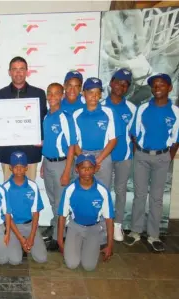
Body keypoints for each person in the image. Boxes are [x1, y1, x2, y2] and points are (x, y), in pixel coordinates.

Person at [125, 73, 179, 252]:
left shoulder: (176, 112)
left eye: (162, 85)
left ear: (170, 88)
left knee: (156, 198)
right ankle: (135, 232)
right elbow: (134, 133)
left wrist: (167, 156)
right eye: (154, 85)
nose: (157, 88)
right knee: (139, 195)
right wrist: (139, 153)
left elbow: (176, 138)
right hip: (142, 156)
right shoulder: (143, 108)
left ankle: (154, 235)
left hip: (163, 158)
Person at [0, 56, 48, 181]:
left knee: (29, 192)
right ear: (9, 72)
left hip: (31, 152)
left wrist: (42, 139)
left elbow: (43, 121)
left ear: (27, 71)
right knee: (8, 191)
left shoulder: (38, 94)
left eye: (22, 69)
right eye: (15, 69)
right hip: (8, 152)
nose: (18, 73)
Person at [57, 154, 114, 271]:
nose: (87, 171)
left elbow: (109, 219)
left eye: (90, 168)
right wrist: (60, 240)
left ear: (95, 169)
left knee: (89, 267)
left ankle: (87, 245)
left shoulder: (102, 191)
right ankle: (75, 244)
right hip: (75, 227)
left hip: (93, 228)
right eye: (83, 168)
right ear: (77, 170)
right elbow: (62, 216)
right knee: (72, 264)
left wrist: (110, 245)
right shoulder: (70, 189)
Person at [101, 69, 136, 242]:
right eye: (118, 82)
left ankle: (117, 225)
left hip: (124, 156)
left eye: (125, 84)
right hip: (104, 156)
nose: (120, 86)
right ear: (111, 83)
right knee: (103, 191)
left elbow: (134, 134)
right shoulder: (100, 105)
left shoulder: (131, 108)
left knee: (121, 192)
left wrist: (131, 155)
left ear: (127, 88)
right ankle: (102, 225)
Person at [41, 83, 77, 248]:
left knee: (60, 202)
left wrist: (66, 171)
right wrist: (43, 163)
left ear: (62, 96)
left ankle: (58, 239)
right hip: (48, 163)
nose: (52, 96)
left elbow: (71, 146)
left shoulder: (65, 116)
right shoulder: (47, 116)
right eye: (50, 93)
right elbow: (48, 142)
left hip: (61, 165)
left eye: (56, 94)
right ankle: (57, 229)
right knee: (53, 201)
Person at [73, 77, 122, 189]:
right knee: (81, 189)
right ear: (83, 93)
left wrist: (98, 160)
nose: (94, 96)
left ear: (100, 95)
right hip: (81, 154)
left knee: (103, 190)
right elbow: (74, 140)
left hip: (103, 156)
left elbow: (113, 139)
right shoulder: (76, 114)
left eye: (97, 93)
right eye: (90, 92)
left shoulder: (109, 112)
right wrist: (82, 159)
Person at [3, 151, 47, 265]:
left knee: (41, 258)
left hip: (30, 225)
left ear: (26, 168)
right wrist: (22, 240)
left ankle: (28, 242)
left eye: (22, 167)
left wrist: (31, 236)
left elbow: (36, 213)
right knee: (14, 261)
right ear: (10, 168)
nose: (19, 169)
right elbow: (7, 217)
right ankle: (20, 243)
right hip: (14, 227)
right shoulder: (5, 188)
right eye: (15, 167)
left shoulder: (32, 186)